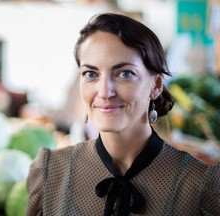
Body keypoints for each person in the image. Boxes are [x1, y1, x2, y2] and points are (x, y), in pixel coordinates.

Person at [26, 13, 220, 215]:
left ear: (156, 85)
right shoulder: (50, 173)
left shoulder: (201, 185)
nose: (104, 92)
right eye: (91, 74)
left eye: (125, 74)